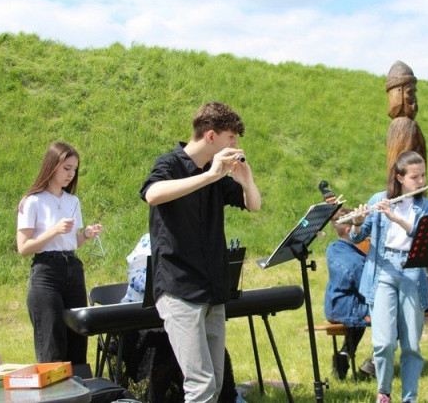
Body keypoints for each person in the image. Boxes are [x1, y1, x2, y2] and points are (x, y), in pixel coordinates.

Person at [140, 102, 261, 403]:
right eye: (231, 138)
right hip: (179, 288)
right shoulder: (170, 163)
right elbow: (152, 194)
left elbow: (254, 204)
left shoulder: (215, 173)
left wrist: (245, 178)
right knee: (201, 385)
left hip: (212, 289)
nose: (235, 145)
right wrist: (211, 176)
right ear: (211, 136)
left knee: (216, 383)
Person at [120, 233, 246, 403]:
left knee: (207, 348)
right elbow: (135, 277)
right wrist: (171, 284)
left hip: (179, 313)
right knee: (166, 348)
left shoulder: (196, 243)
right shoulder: (150, 241)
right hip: (142, 320)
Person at [350, 151, 428, 403]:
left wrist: (397, 219)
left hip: (412, 270)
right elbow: (356, 236)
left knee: (412, 345)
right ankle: (384, 391)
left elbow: (424, 237)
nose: (420, 181)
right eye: (415, 177)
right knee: (384, 343)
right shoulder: (379, 199)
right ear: (399, 177)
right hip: (382, 269)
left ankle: (410, 398)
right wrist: (357, 222)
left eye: (423, 175)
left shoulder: (425, 206)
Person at [16, 141, 104, 364]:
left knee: (77, 338)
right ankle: (53, 384)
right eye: (66, 168)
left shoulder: (72, 201)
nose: (71, 174)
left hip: (73, 268)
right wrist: (54, 230)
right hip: (46, 271)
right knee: (52, 340)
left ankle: (79, 384)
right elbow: (23, 247)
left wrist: (86, 235)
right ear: (52, 165)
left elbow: (72, 242)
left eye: (74, 169)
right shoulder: (32, 201)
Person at [324, 208, 370, 380]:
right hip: (349, 309)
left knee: (358, 322)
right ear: (350, 230)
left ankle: (345, 354)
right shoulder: (356, 261)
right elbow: (365, 289)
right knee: (392, 315)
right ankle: (374, 363)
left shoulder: (333, 248)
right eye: (362, 229)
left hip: (333, 306)